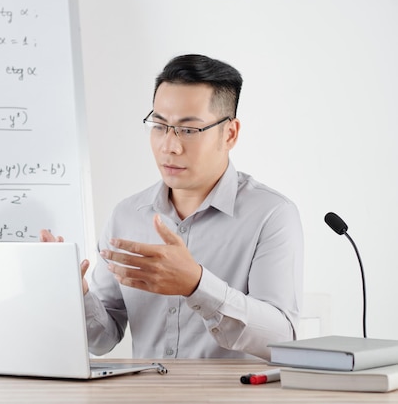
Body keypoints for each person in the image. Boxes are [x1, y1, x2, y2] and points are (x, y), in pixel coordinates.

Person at [40, 54, 303, 360]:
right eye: (160, 125)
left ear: (229, 133)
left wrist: (197, 284)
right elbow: (102, 338)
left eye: (188, 130)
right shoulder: (128, 215)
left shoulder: (271, 215)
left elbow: (282, 339)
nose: (169, 146)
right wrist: (77, 294)